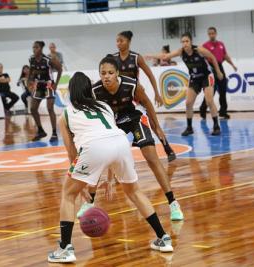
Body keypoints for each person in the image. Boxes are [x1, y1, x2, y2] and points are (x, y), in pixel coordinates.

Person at [47, 72, 173, 263]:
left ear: (71, 92)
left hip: (93, 146)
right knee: (134, 191)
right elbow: (110, 139)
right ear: (90, 90)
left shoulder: (65, 114)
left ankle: (65, 248)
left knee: (68, 194)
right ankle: (163, 238)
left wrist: (79, 187)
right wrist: (110, 176)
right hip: (121, 143)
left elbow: (72, 153)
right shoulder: (104, 106)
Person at [77, 56, 184, 221]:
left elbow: (147, 103)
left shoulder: (131, 85)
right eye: (103, 73)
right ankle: (89, 202)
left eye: (110, 73)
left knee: (151, 158)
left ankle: (173, 203)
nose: (106, 76)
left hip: (134, 119)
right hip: (113, 123)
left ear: (117, 73)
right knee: (98, 158)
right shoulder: (95, 91)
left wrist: (157, 128)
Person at [113, 31, 176, 162]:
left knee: (153, 123)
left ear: (128, 42)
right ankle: (116, 156)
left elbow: (150, 75)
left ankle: (167, 148)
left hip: (136, 95)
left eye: (121, 41)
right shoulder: (113, 58)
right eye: (117, 41)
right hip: (120, 98)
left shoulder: (136, 57)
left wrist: (157, 93)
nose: (118, 43)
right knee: (115, 126)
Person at [146, 32, 224, 137]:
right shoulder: (181, 52)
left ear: (191, 42)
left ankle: (216, 126)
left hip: (206, 76)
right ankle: (189, 127)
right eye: (183, 42)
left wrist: (218, 72)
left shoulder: (199, 50)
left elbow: (213, 58)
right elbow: (165, 56)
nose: (185, 43)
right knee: (188, 103)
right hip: (195, 78)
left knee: (209, 100)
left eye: (187, 41)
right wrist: (151, 55)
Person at [200, 27, 237, 120]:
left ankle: (223, 112)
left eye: (213, 33)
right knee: (211, 92)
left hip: (220, 67)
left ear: (216, 33)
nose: (211, 35)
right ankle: (203, 109)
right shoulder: (205, 45)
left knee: (223, 90)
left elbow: (225, 55)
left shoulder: (221, 44)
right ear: (208, 35)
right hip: (211, 68)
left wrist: (232, 65)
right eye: (210, 34)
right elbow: (202, 57)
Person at [29, 41, 62, 142]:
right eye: (33, 47)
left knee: (50, 108)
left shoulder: (48, 60)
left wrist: (55, 84)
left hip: (48, 84)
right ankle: (40, 131)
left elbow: (60, 69)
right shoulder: (31, 59)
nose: (34, 49)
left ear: (41, 48)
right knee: (33, 109)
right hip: (39, 85)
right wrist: (29, 83)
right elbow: (31, 71)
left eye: (36, 47)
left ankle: (54, 133)